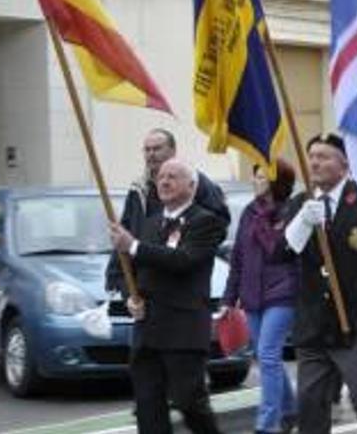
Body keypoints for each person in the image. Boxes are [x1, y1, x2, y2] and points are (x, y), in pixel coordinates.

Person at [279, 133, 357, 434]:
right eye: (312, 156)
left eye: (324, 156)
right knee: (309, 407)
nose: (315, 163)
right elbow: (281, 253)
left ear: (345, 164)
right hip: (316, 328)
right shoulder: (301, 203)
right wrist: (303, 223)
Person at [107, 159, 228, 434]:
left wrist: (134, 245)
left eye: (173, 176)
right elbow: (132, 271)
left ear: (191, 185)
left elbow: (182, 260)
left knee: (189, 402)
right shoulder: (150, 223)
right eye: (161, 177)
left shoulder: (205, 222)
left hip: (182, 331)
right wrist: (131, 297)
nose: (164, 182)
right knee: (148, 408)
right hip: (148, 329)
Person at [221, 160, 299, 434]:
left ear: (277, 182)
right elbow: (238, 259)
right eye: (255, 176)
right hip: (251, 295)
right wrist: (228, 300)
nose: (255, 181)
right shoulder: (249, 212)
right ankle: (290, 409)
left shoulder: (290, 210)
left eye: (262, 177)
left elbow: (285, 250)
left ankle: (267, 424)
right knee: (267, 356)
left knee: (267, 354)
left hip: (283, 293)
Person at [107, 129, 230, 296]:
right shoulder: (139, 189)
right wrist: (115, 273)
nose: (151, 154)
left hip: (181, 284)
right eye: (147, 150)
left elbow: (218, 222)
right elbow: (128, 229)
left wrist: (193, 244)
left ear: (173, 151)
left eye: (157, 149)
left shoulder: (197, 183)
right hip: (146, 279)